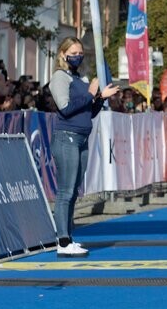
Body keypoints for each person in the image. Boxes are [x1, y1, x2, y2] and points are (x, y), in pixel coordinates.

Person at [48, 37, 119, 258]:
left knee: (73, 191)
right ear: (63, 54)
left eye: (80, 53)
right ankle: (63, 240)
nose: (78, 56)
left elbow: (89, 112)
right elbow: (66, 108)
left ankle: (68, 236)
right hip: (66, 137)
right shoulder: (60, 77)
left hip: (81, 137)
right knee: (66, 191)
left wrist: (99, 98)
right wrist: (90, 94)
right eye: (74, 53)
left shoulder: (79, 78)